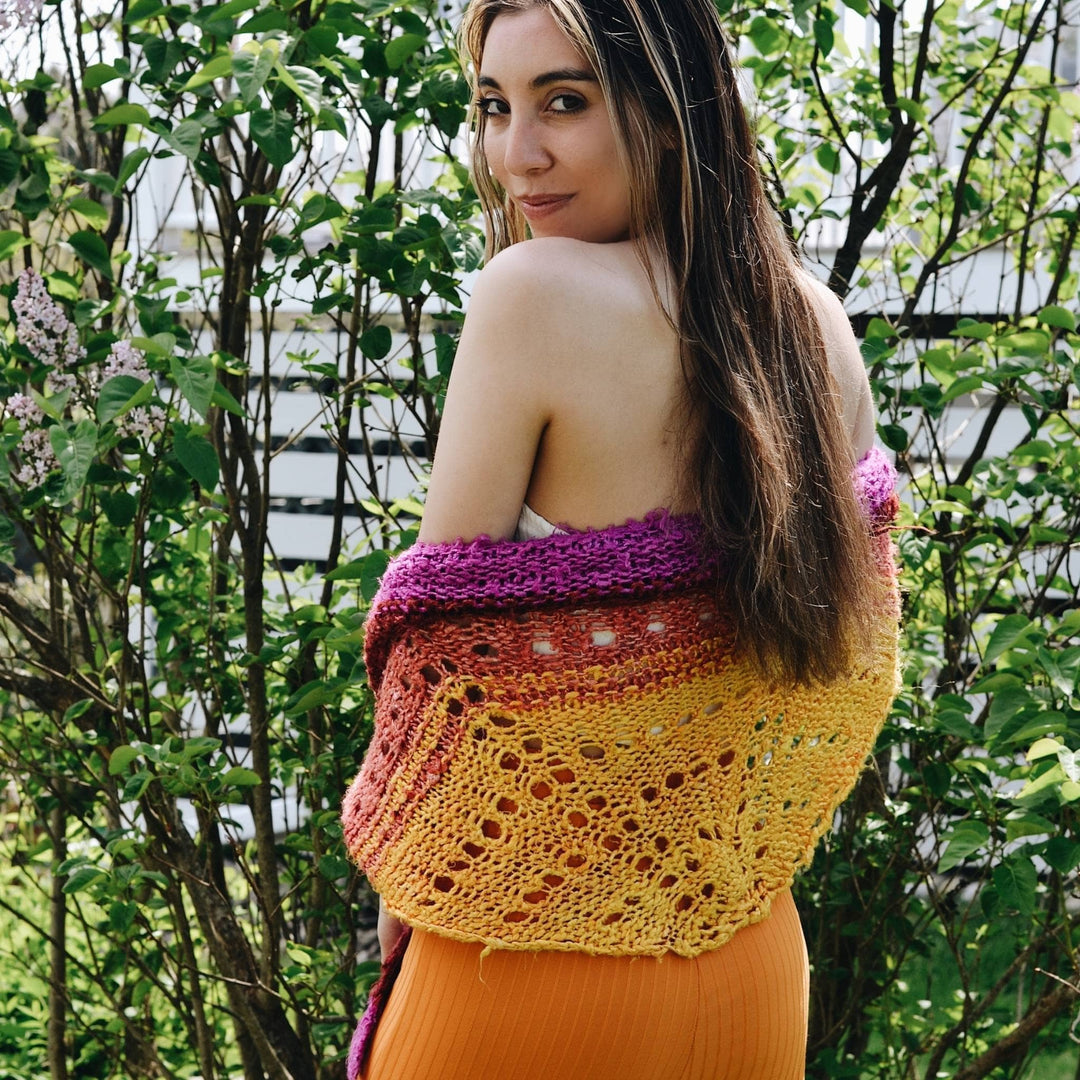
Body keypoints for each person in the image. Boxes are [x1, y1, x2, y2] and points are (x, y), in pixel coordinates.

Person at [340, 2, 901, 1078]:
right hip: (752, 965)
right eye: (494, 107)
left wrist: (411, 889)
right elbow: (855, 659)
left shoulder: (530, 295)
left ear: (673, 110)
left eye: (565, 102)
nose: (517, 155)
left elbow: (438, 658)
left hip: (521, 966)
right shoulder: (815, 325)